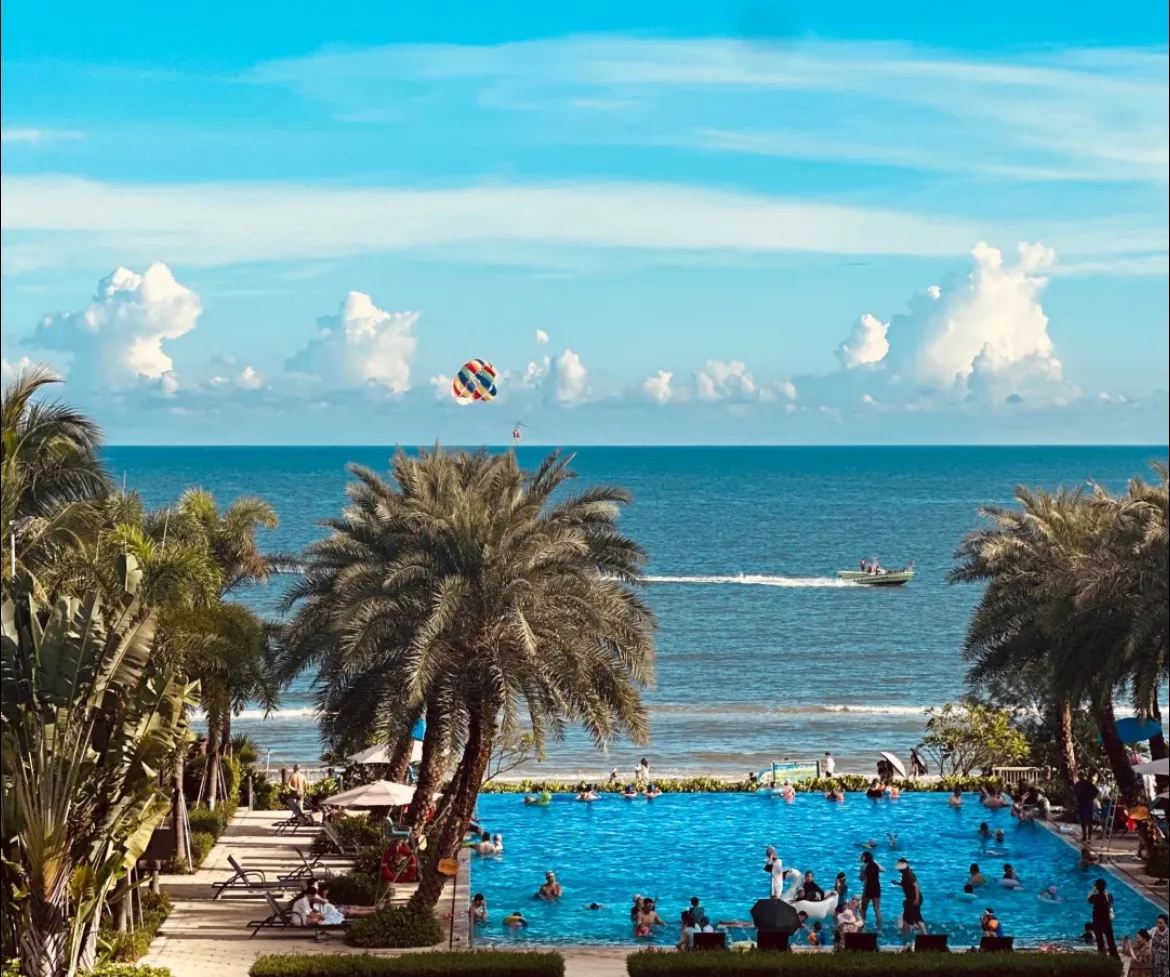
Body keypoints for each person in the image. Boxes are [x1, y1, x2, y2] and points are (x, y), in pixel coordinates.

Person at [894, 858, 926, 937]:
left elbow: (915, 886)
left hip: (913, 899)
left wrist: (917, 898)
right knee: (917, 918)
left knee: (906, 918)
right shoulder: (905, 874)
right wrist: (897, 883)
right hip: (912, 899)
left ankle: (904, 936)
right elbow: (906, 885)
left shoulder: (909, 874)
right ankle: (925, 935)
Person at [1088, 878, 1117, 956]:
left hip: (1097, 922)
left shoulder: (1095, 897)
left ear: (1097, 887)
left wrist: (1093, 889)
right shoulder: (1109, 896)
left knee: (1100, 941)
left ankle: (1102, 956)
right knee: (1111, 941)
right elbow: (1111, 903)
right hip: (1107, 921)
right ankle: (1114, 956)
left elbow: (1088, 899)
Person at [1074, 771, 1101, 843]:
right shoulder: (1077, 785)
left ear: (1083, 776)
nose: (1080, 777)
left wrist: (1092, 799)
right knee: (1082, 821)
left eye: (1081, 775)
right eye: (1079, 776)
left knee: (1088, 821)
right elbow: (1076, 795)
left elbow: (1097, 791)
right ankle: (1084, 836)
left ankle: (1089, 837)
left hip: (1088, 805)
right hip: (1080, 804)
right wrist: (1076, 803)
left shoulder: (1088, 783)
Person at [859, 851, 882, 929]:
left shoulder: (864, 866)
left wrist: (860, 875)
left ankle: (862, 927)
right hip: (877, 888)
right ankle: (880, 929)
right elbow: (883, 870)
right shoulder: (876, 865)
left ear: (864, 857)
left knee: (863, 909)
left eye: (862, 856)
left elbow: (862, 879)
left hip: (868, 888)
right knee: (877, 909)